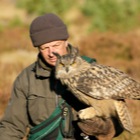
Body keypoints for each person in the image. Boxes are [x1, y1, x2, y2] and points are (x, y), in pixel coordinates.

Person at [0, 13, 123, 140]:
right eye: (45, 48)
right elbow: (11, 127)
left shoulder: (92, 71)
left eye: (56, 45)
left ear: (66, 42)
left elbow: (119, 118)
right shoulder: (27, 79)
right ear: (38, 49)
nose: (51, 53)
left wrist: (106, 129)